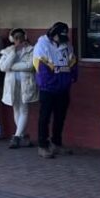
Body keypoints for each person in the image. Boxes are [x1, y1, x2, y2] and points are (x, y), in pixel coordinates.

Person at [34, 22, 77, 158]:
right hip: (48, 89)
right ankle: (42, 145)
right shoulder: (42, 45)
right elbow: (41, 68)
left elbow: (73, 63)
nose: (62, 40)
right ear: (53, 34)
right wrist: (54, 82)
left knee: (60, 117)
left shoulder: (67, 44)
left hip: (63, 88)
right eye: (60, 37)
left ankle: (56, 143)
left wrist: (70, 78)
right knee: (44, 118)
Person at [0, 28, 37, 149]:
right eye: (15, 38)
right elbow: (3, 67)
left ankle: (16, 136)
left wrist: (12, 67)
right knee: (16, 109)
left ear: (24, 37)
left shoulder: (31, 50)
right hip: (12, 84)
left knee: (24, 109)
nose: (18, 40)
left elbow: (30, 66)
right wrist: (13, 53)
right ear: (12, 39)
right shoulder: (8, 51)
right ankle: (23, 136)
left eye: (20, 37)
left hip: (26, 84)